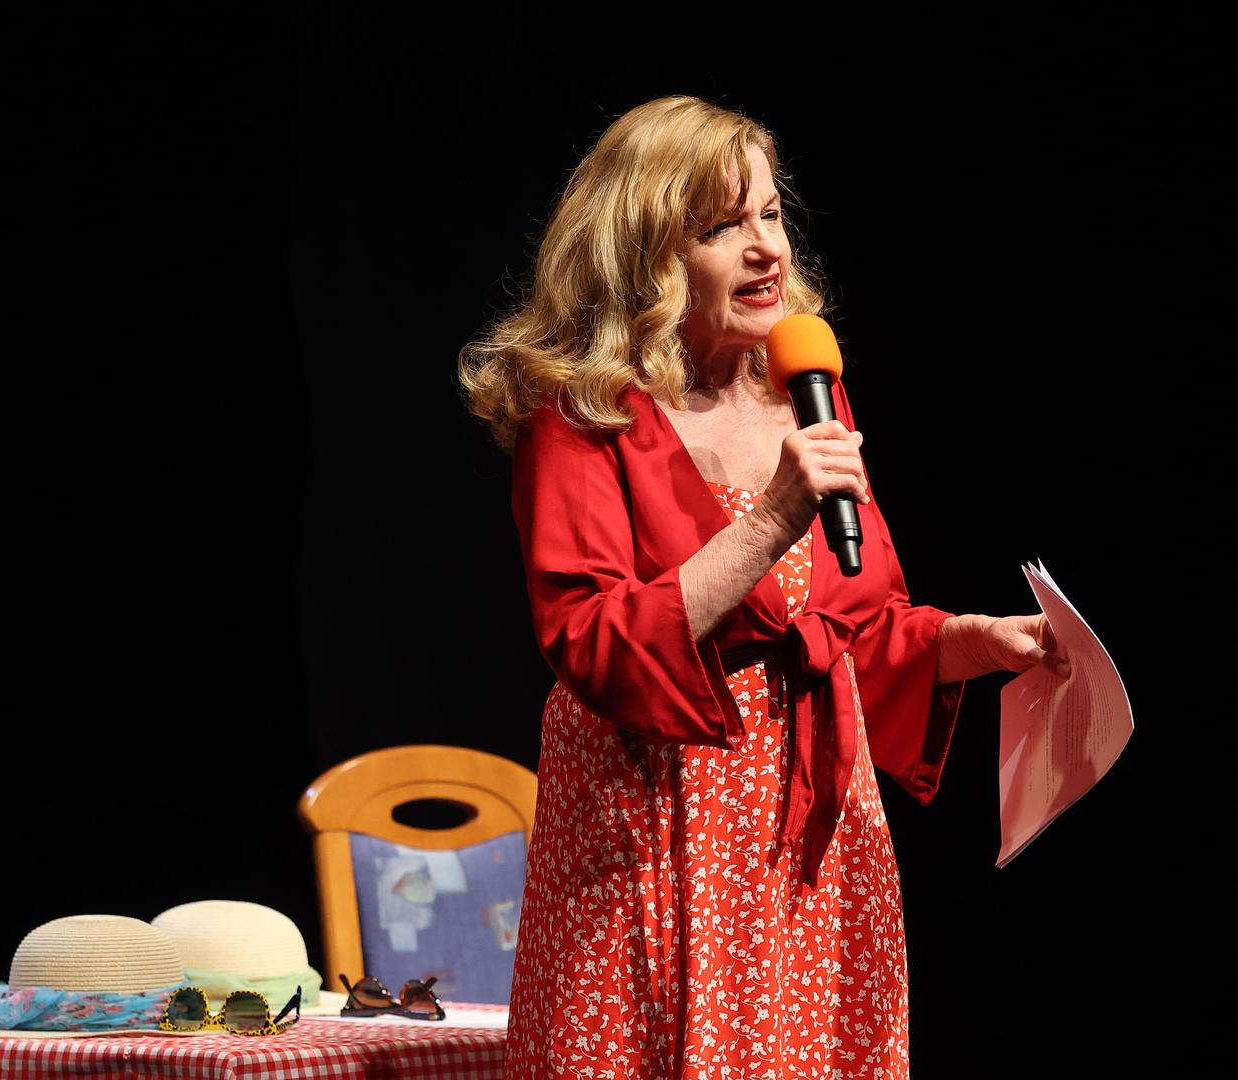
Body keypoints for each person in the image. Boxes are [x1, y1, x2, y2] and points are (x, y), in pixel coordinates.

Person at [455, 96, 1068, 1078]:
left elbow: (857, 625)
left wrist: (972, 641)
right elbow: (592, 641)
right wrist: (773, 516)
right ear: (643, 254)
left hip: (808, 844)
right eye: (720, 227)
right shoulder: (580, 411)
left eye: (771, 214)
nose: (765, 249)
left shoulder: (804, 392)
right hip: (654, 835)